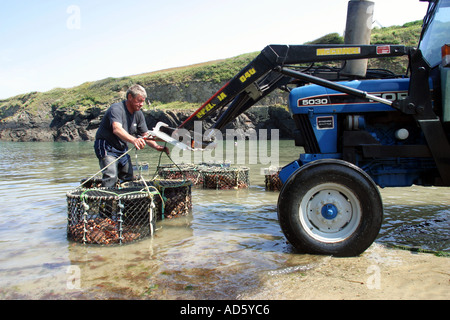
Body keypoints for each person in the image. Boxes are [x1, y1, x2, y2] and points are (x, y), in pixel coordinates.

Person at [94, 84, 169, 187]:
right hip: (107, 147)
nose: (142, 104)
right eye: (139, 101)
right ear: (130, 97)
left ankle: (124, 201)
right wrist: (134, 140)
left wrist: (156, 146)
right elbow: (117, 129)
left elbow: (145, 134)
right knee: (111, 176)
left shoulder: (138, 113)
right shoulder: (116, 109)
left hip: (122, 149)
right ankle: (108, 200)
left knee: (128, 177)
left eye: (143, 101)